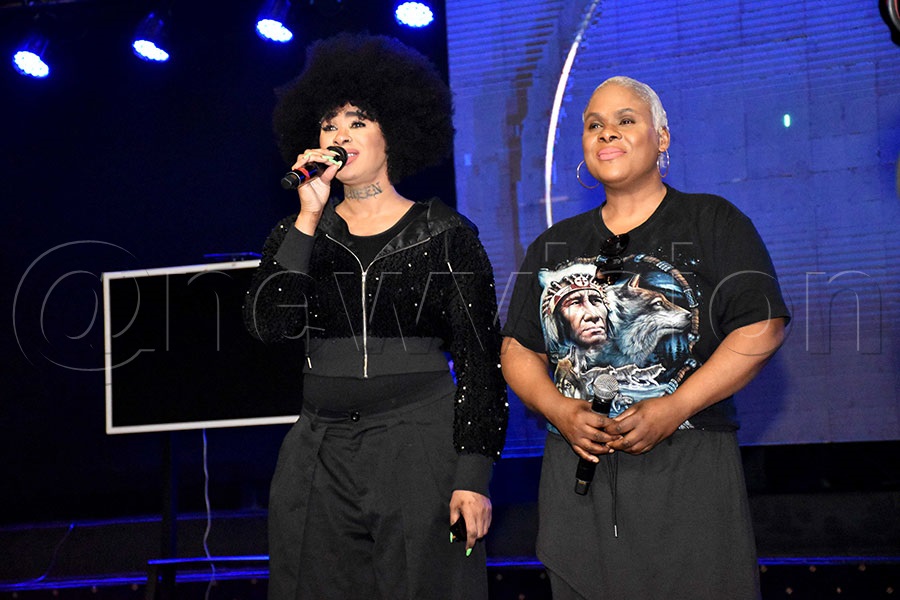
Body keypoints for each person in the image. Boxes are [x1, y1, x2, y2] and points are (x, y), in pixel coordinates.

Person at [501, 75, 790, 599]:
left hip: (689, 469)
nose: (607, 133)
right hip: (578, 480)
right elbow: (518, 348)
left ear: (662, 138)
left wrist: (674, 407)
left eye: (625, 121)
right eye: (594, 125)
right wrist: (559, 411)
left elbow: (761, 325)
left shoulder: (711, 220)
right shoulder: (554, 243)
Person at [243, 33, 508, 600]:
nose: (339, 135)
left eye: (357, 121)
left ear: (395, 133)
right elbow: (269, 326)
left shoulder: (446, 236)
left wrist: (473, 478)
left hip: (418, 445)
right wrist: (308, 219)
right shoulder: (299, 234)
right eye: (328, 124)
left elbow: (482, 361)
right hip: (319, 451)